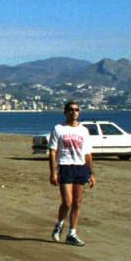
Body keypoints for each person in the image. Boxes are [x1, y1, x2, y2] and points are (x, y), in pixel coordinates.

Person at [48, 101, 95, 246]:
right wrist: (53, 173)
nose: (73, 112)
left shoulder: (84, 131)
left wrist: (91, 173)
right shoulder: (59, 129)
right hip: (65, 167)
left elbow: (87, 153)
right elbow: (53, 151)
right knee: (67, 202)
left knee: (77, 202)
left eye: (76, 110)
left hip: (80, 168)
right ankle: (60, 224)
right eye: (70, 109)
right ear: (65, 112)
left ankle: (72, 233)